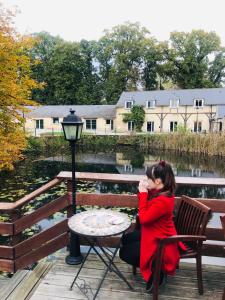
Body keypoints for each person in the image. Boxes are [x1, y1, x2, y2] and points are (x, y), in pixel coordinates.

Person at [119, 160, 186, 292]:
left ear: (158, 181)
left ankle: (158, 271)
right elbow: (150, 206)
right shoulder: (163, 191)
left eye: (149, 178)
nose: (146, 180)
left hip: (162, 242)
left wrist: (143, 193)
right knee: (126, 239)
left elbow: (144, 219)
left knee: (124, 253)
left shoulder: (163, 201)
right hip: (156, 232)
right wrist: (145, 192)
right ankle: (155, 268)